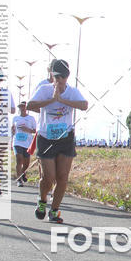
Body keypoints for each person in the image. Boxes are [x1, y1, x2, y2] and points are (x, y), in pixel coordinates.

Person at [27, 59, 88, 223]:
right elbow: (29, 105)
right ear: (52, 76)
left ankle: (54, 211)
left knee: (62, 177)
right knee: (48, 177)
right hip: (46, 138)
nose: (60, 79)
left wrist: (62, 101)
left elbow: (84, 105)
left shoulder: (72, 91)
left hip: (65, 138)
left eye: (64, 76)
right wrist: (51, 100)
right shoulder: (44, 89)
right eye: (57, 76)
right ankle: (42, 201)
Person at [12, 101, 37, 186]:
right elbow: (12, 129)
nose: (22, 108)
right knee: (19, 159)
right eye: (20, 107)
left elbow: (35, 130)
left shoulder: (31, 118)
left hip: (27, 142)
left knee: (26, 164)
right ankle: (19, 180)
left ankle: (22, 173)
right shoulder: (15, 118)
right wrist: (12, 131)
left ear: (26, 108)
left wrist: (27, 129)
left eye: (23, 107)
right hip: (17, 141)